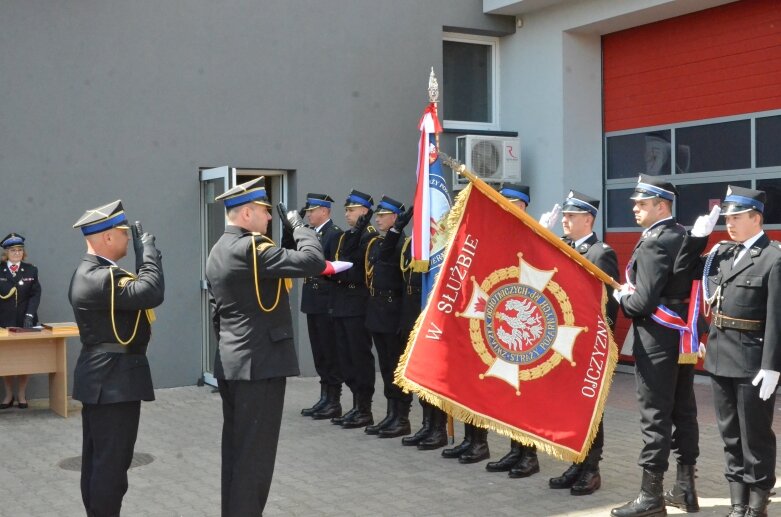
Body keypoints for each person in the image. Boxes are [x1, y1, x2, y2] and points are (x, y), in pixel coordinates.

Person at [206, 177, 325, 516]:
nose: (270, 217)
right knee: (254, 459)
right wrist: (300, 225)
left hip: (235, 361)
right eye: (264, 211)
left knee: (238, 452)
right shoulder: (250, 248)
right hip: (260, 365)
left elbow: (218, 315)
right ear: (246, 213)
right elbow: (312, 261)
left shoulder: (220, 248)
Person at [675, 186, 780, 517]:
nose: (730, 223)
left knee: (755, 437)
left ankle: (757, 505)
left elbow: (778, 317)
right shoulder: (721, 253)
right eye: (728, 218)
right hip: (720, 357)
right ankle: (738, 504)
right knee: (730, 436)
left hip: (753, 360)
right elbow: (681, 271)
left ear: (756, 217)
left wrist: (773, 365)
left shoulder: (773, 258)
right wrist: (696, 239)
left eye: (737, 217)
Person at [611, 175, 700, 517]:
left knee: (654, 415)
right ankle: (686, 489)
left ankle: (651, 497)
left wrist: (623, 297)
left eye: (642, 203)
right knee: (684, 409)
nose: (635, 208)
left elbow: (642, 302)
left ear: (661, 205)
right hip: (681, 336)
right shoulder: (683, 235)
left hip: (656, 336)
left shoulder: (654, 241)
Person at [69, 200, 164, 517]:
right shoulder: (99, 276)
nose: (129, 239)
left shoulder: (99, 273)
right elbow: (151, 291)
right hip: (112, 382)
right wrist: (148, 251)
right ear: (107, 237)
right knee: (111, 467)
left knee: (102, 462)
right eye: (124, 233)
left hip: (109, 379)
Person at [546, 191, 618, 496]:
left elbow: (610, 302)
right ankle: (576, 461)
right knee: (570, 405)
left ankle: (592, 468)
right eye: (565, 216)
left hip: (589, 342)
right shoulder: (565, 248)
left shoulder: (600, 253)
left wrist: (600, 337)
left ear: (587, 219)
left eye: (571, 216)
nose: (565, 220)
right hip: (565, 340)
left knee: (591, 406)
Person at [397, 207, 449, 451]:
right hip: (414, 316)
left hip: (435, 319)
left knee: (434, 376)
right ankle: (427, 424)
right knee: (420, 374)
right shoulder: (413, 245)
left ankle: (438, 428)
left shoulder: (443, 246)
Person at [329, 189, 379, 429]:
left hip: (358, 304)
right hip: (341, 303)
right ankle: (355, 404)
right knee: (345, 357)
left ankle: (365, 408)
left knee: (359, 357)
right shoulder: (347, 236)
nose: (347, 214)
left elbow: (358, 270)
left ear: (365, 212)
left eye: (352, 210)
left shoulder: (369, 237)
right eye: (347, 210)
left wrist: (339, 274)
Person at [364, 196, 413, 438]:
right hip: (378, 312)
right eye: (378, 215)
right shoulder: (380, 242)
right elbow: (378, 258)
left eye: (382, 215)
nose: (377, 218)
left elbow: (389, 262)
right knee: (385, 367)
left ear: (395, 217)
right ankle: (391, 414)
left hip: (393, 313)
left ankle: (402, 417)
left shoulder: (401, 243)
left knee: (396, 367)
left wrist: (395, 232)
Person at [297, 193, 345, 420]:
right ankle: (324, 397)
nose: (308, 214)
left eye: (311, 211)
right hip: (313, 300)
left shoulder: (333, 234)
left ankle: (333, 401)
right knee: (319, 353)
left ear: (324, 211)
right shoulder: (312, 233)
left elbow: (333, 267)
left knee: (329, 351)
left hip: (326, 300)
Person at [0, 233, 42, 410]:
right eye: (13, 250)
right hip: (4, 322)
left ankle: (22, 395)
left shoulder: (31, 270)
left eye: (19, 250)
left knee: (26, 359)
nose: (16, 253)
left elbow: (35, 294)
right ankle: (8, 395)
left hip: (26, 322)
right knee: (6, 360)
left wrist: (30, 316)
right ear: (6, 253)